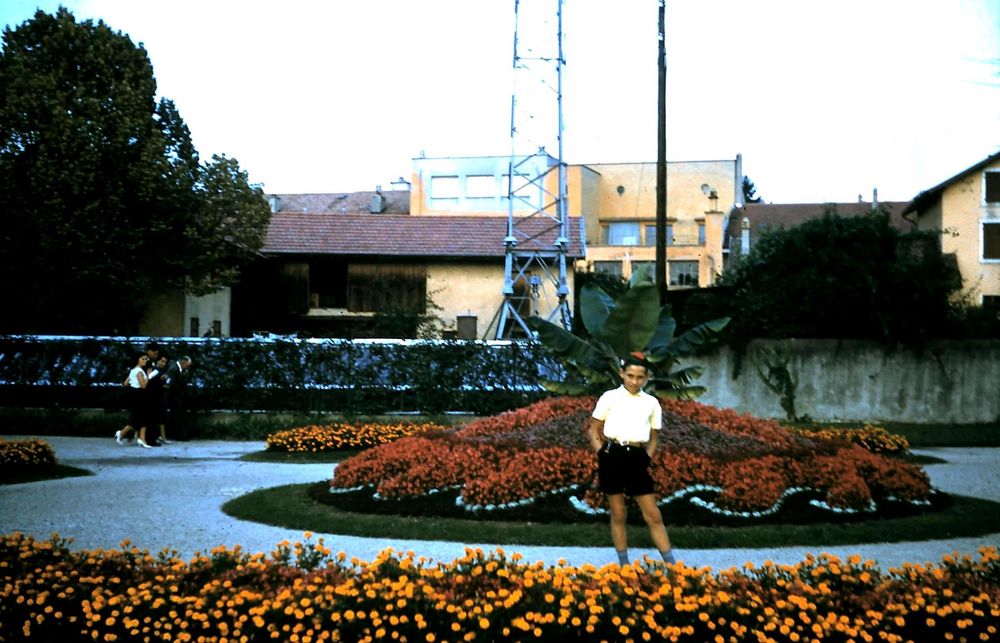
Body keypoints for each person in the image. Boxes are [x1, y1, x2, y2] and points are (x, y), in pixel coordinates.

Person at [588, 351, 676, 566]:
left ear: (646, 378)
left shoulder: (652, 403)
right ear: (622, 374)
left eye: (639, 377)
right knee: (618, 513)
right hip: (612, 456)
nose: (634, 381)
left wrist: (646, 458)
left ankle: (673, 566)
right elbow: (592, 430)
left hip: (637, 458)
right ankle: (624, 565)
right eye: (630, 376)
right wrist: (602, 453)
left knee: (653, 515)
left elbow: (655, 437)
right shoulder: (609, 397)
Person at [115, 353, 153, 448]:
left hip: (134, 394)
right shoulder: (139, 371)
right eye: (143, 359)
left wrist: (133, 383)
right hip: (139, 395)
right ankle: (122, 433)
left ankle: (142, 439)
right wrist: (148, 376)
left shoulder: (133, 370)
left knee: (141, 417)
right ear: (138, 360)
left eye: (146, 359)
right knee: (138, 418)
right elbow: (143, 385)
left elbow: (125, 383)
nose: (145, 361)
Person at [145, 354, 172, 445]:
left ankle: (162, 437)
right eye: (162, 361)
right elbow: (148, 380)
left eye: (165, 362)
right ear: (157, 361)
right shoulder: (155, 371)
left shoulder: (163, 371)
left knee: (161, 417)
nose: (163, 363)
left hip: (160, 397)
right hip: (153, 398)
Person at [164, 355, 193, 440]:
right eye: (187, 365)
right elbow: (171, 384)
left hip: (176, 397)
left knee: (177, 416)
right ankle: (180, 435)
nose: (187, 367)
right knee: (178, 416)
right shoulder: (174, 369)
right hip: (174, 397)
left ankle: (179, 435)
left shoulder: (177, 369)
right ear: (183, 362)